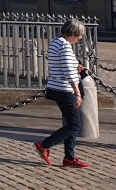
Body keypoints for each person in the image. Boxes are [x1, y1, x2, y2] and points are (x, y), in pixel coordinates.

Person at [33, 19, 89, 168]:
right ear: (74, 33)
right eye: (80, 35)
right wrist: (77, 92)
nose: (80, 38)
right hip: (64, 89)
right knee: (74, 124)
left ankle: (69, 157)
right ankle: (44, 145)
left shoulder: (56, 42)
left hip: (56, 87)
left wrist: (76, 66)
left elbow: (63, 65)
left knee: (71, 123)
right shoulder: (65, 45)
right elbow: (68, 72)